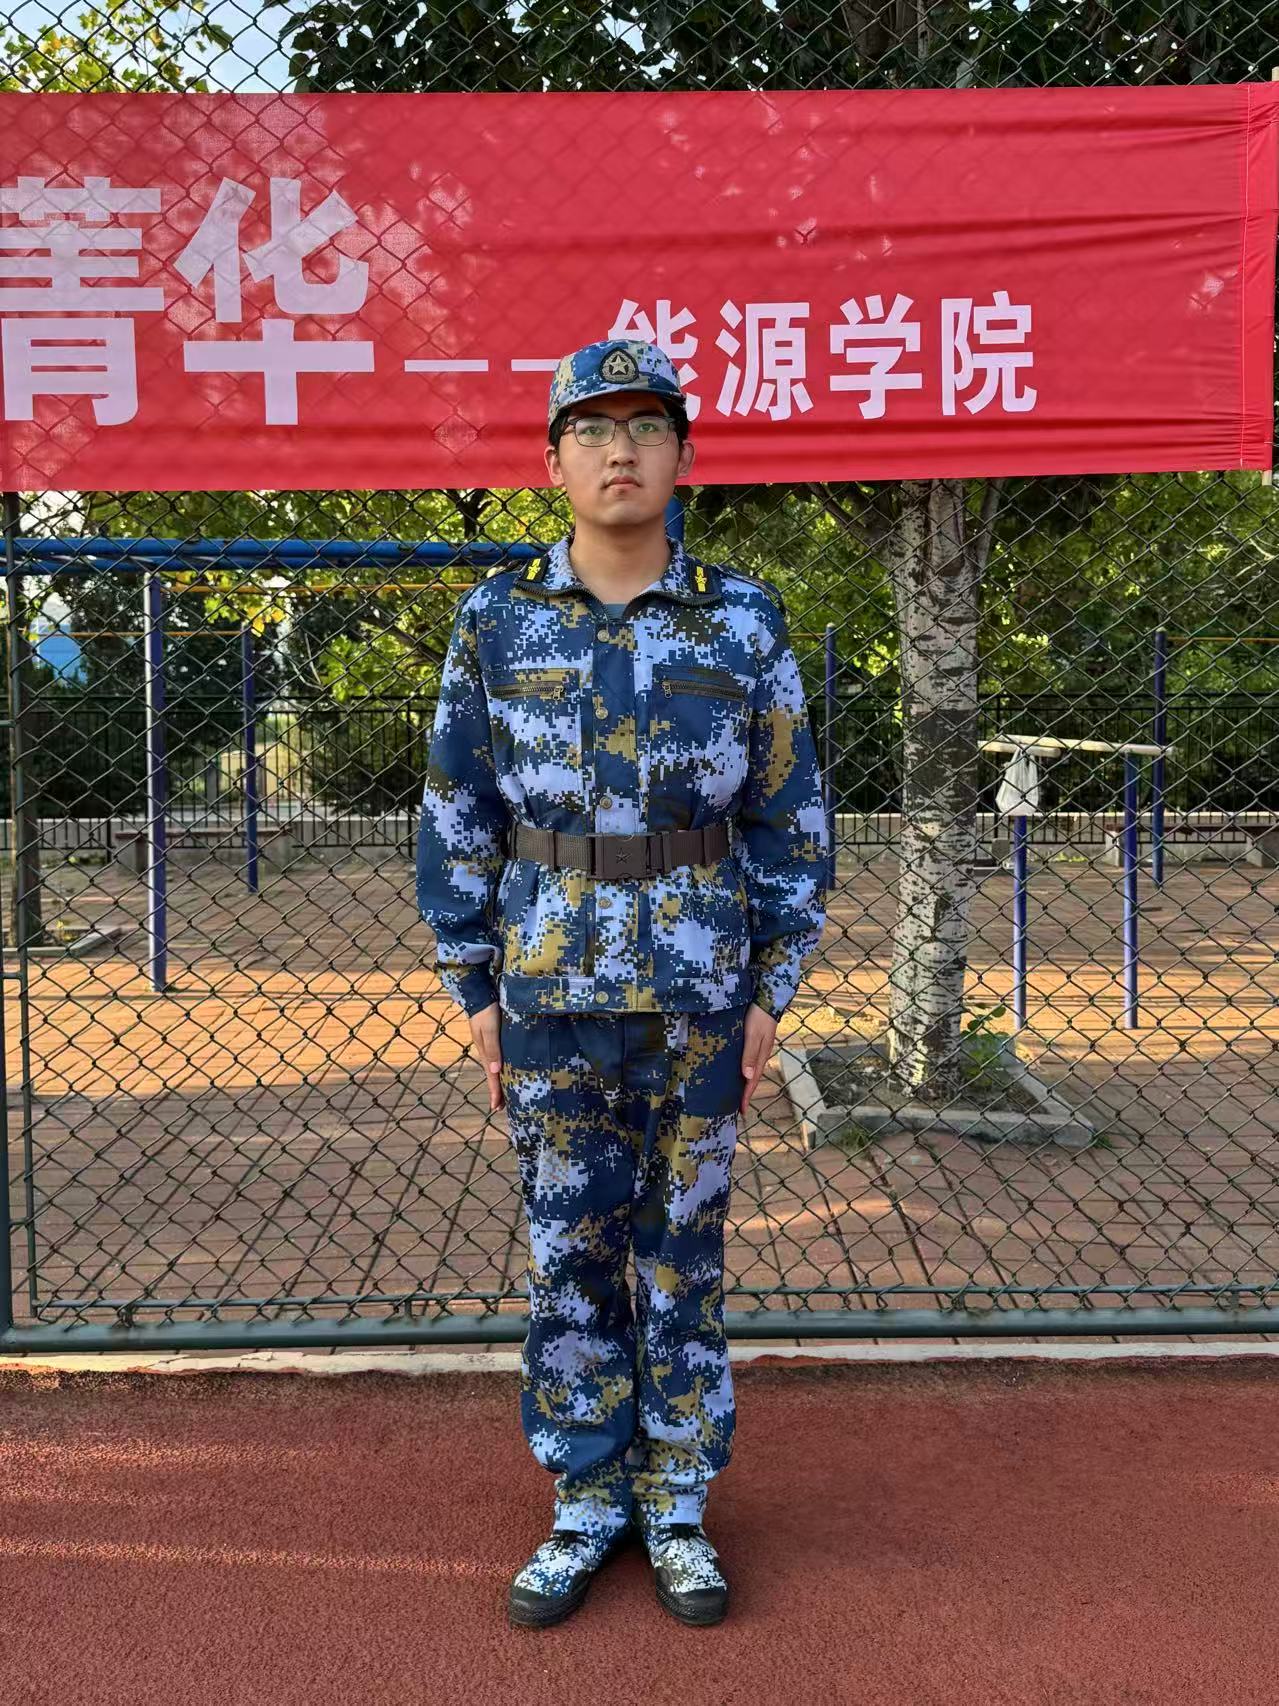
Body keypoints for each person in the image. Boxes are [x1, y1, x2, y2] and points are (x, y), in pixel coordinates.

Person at [416, 337, 829, 1629]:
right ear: (553, 460)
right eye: (592, 429)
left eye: (647, 426)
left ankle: (679, 1501)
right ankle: (587, 1497)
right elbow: (456, 812)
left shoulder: (743, 620)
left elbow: (790, 817)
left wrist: (771, 991)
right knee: (569, 1257)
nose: (620, 451)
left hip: (701, 997)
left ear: (683, 455)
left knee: (682, 1258)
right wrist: (474, 990)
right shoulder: (496, 622)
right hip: (549, 996)